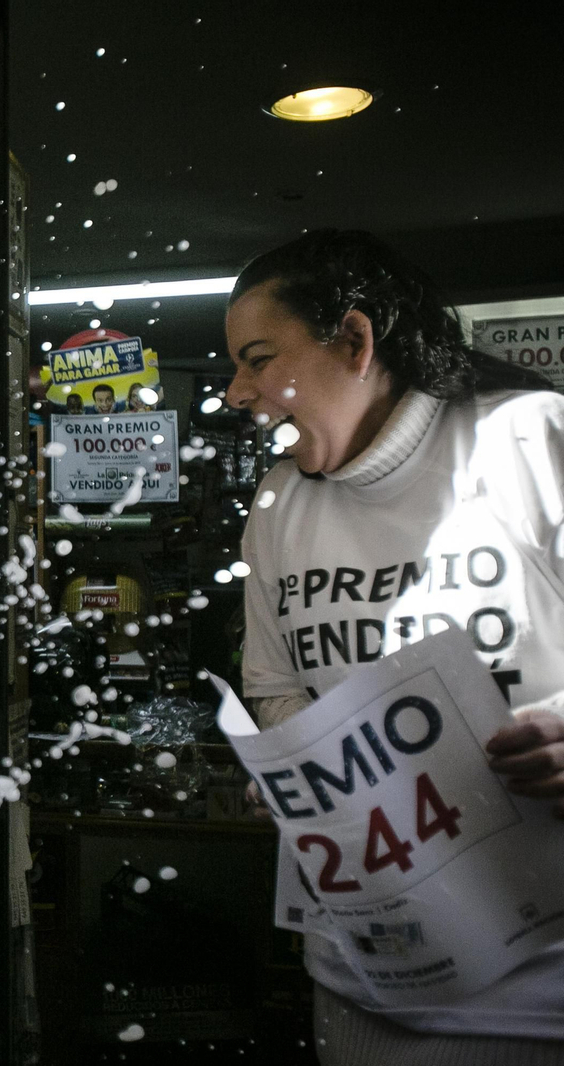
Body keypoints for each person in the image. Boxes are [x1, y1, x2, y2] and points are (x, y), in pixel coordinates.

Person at [229, 229, 564, 1064]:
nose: (238, 392)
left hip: (544, 989)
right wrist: (297, 764)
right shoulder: (278, 504)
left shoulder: (528, 440)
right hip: (365, 980)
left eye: (259, 360)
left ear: (355, 340)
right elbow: (273, 684)